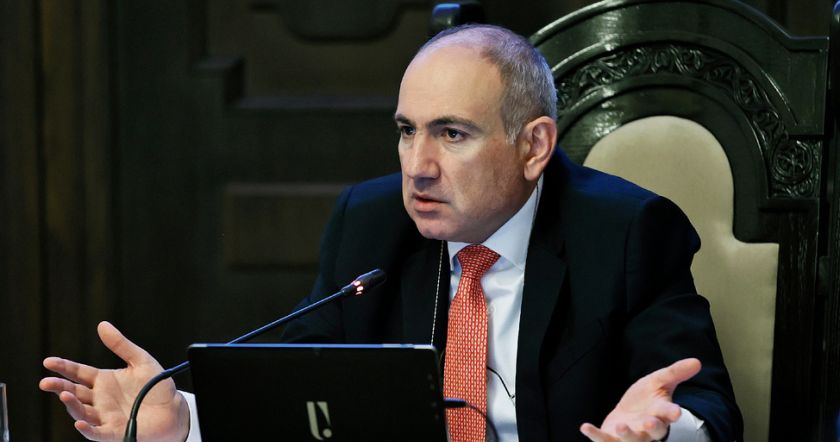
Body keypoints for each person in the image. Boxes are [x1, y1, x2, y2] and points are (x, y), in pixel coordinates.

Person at [40, 24, 742, 441]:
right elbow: (296, 387)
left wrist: (663, 429)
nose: (418, 166)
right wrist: (185, 421)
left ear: (533, 146)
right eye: (407, 131)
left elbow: (704, 402)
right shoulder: (372, 225)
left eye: (452, 134)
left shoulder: (625, 233)